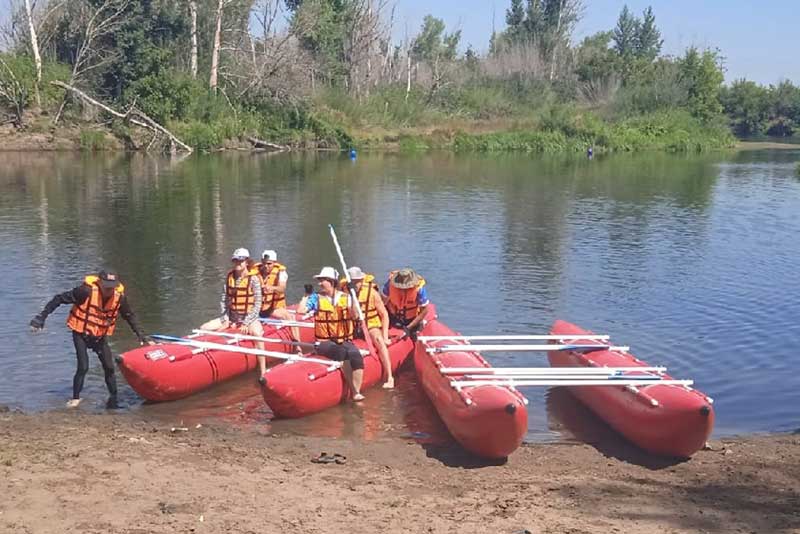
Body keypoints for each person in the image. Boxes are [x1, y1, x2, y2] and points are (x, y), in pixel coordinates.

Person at [29, 271, 152, 408]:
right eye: (106, 287)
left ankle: (114, 399)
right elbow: (58, 299)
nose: (109, 290)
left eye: (112, 287)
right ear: (99, 283)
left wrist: (141, 336)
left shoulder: (120, 298)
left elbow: (129, 316)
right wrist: (41, 317)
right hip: (81, 333)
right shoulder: (84, 292)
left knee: (109, 367)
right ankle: (75, 399)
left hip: (99, 336)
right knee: (83, 367)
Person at [199, 248, 268, 380]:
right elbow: (224, 299)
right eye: (236, 261)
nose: (238, 263)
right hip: (231, 316)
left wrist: (246, 322)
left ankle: (263, 371)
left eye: (241, 261)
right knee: (204, 328)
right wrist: (226, 319)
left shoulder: (253, 279)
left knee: (258, 334)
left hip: (249, 317)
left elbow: (257, 303)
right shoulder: (230, 277)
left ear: (246, 262)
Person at [298, 266, 365, 401]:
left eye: (323, 280)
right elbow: (301, 311)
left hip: (343, 339)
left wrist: (353, 297)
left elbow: (355, 315)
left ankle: (357, 390)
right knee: (342, 352)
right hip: (324, 342)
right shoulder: (316, 298)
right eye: (320, 280)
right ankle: (353, 391)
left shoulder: (346, 298)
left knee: (356, 356)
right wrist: (306, 296)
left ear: (332, 282)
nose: (320, 283)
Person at [341, 266, 394, 389]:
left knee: (379, 340)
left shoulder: (372, 293)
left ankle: (390, 376)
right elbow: (348, 313)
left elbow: (384, 314)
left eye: (356, 282)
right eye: (351, 282)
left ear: (361, 280)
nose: (354, 285)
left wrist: (385, 335)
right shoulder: (345, 293)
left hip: (370, 324)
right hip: (353, 325)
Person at [382, 268, 429, 340]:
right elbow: (383, 300)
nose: (403, 288)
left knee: (414, 335)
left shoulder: (419, 289)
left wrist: (408, 327)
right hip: (393, 316)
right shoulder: (390, 284)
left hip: (411, 320)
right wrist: (390, 311)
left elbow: (424, 311)